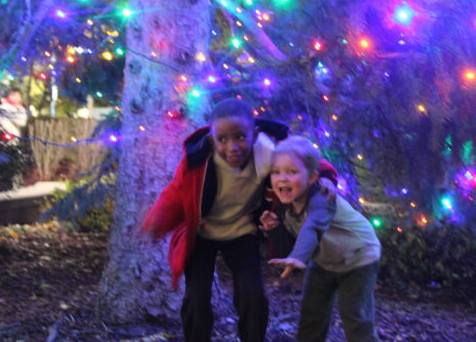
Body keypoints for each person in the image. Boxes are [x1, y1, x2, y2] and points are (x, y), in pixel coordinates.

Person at [140, 98, 337, 342]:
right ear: (212, 140)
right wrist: (158, 218)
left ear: (254, 134)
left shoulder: (270, 152)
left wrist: (326, 176)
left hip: (241, 233)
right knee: (196, 298)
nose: (232, 147)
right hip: (202, 234)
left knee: (253, 296)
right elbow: (176, 192)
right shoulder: (198, 162)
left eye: (240, 137)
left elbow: (305, 161)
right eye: (223, 139)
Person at [260, 135, 381, 342]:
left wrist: (299, 255)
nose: (282, 178)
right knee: (311, 316)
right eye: (276, 172)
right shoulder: (284, 205)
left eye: (292, 172)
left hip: (359, 258)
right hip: (325, 263)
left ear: (312, 178)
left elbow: (314, 225)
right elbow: (288, 246)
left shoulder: (323, 196)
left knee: (355, 316)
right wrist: (273, 229)